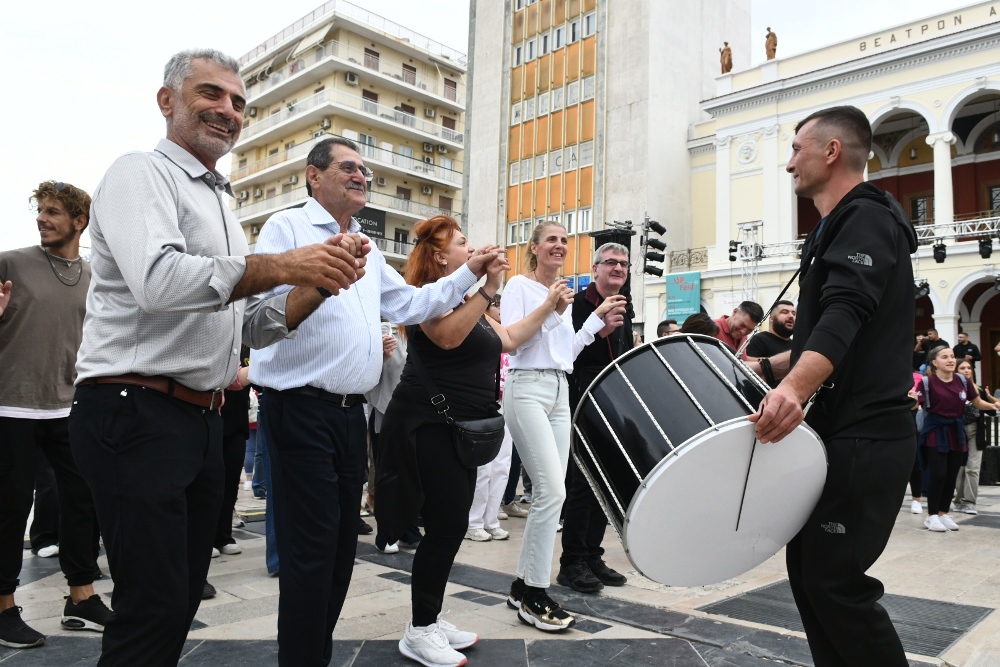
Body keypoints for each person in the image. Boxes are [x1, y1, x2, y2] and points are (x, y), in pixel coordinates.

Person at [70, 49, 368, 667]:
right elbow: (159, 281)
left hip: (199, 419)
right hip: (135, 406)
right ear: (167, 101)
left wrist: (319, 284)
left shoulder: (222, 209)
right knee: (152, 604)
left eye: (237, 102)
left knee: (177, 601)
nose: (228, 111)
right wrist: (286, 264)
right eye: (211, 94)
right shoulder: (138, 174)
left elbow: (247, 326)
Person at [248, 139, 500, 667]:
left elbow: (411, 301)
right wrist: (319, 278)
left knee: (341, 553)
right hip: (299, 409)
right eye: (348, 167)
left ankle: (315, 655)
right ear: (314, 177)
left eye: (365, 169)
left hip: (349, 415)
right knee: (311, 554)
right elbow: (261, 318)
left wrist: (469, 272)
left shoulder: (363, 243)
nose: (361, 175)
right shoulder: (287, 230)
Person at [749, 106, 920, 666]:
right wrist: (766, 372)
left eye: (797, 148)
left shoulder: (866, 218)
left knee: (836, 583)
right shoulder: (835, 227)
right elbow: (841, 336)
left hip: (866, 437)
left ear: (831, 152)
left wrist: (794, 389)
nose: (788, 162)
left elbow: (846, 311)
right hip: (842, 433)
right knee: (812, 577)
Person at [377, 215, 569, 666]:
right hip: (427, 422)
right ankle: (420, 630)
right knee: (444, 526)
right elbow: (445, 337)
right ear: (442, 255)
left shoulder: (469, 298)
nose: (473, 247)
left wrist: (548, 307)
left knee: (452, 525)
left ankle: (431, 616)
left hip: (459, 427)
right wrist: (486, 286)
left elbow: (509, 339)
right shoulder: (430, 297)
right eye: (463, 243)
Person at [0, 181, 112, 650]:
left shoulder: (94, 275)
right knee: (9, 510)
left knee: (83, 501)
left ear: (79, 221)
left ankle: (81, 597)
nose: (42, 218)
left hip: (71, 407)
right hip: (11, 405)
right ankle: (4, 607)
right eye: (40, 211)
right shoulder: (11, 263)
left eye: (52, 212)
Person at [501, 222, 626, 632]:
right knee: (551, 492)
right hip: (527, 387)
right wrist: (552, 309)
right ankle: (536, 593)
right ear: (534, 248)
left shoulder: (566, 297)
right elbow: (515, 341)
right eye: (551, 239)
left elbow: (566, 352)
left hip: (558, 390)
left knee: (554, 494)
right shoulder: (520, 286)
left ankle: (522, 586)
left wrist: (595, 321)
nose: (559, 245)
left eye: (564, 241)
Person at [557, 243, 633, 594]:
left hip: (612, 401)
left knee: (604, 484)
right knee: (581, 485)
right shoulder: (575, 306)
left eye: (624, 264)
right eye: (611, 263)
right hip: (579, 401)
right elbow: (563, 355)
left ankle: (592, 556)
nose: (618, 268)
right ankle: (571, 562)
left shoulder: (624, 307)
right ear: (595, 268)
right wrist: (598, 332)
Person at [916, 347, 1000, 532]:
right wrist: (909, 399)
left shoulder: (962, 380)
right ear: (934, 362)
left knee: (952, 474)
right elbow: (916, 403)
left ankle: (943, 513)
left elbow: (977, 401)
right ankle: (931, 516)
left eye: (952, 356)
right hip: (935, 431)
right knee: (938, 473)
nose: (950, 360)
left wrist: (993, 405)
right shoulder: (927, 382)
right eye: (945, 357)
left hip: (956, 431)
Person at [953, 359, 995, 516]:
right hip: (957, 432)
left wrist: (990, 399)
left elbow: (990, 412)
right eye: (962, 368)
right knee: (959, 469)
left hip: (976, 432)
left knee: (973, 468)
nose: (966, 370)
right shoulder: (952, 389)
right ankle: (958, 501)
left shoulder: (978, 389)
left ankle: (970, 502)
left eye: (968, 368)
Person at [746, 300, 795, 388]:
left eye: (793, 313)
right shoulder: (760, 339)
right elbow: (749, 371)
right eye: (785, 312)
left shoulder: (795, 345)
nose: (791, 316)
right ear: (771, 318)